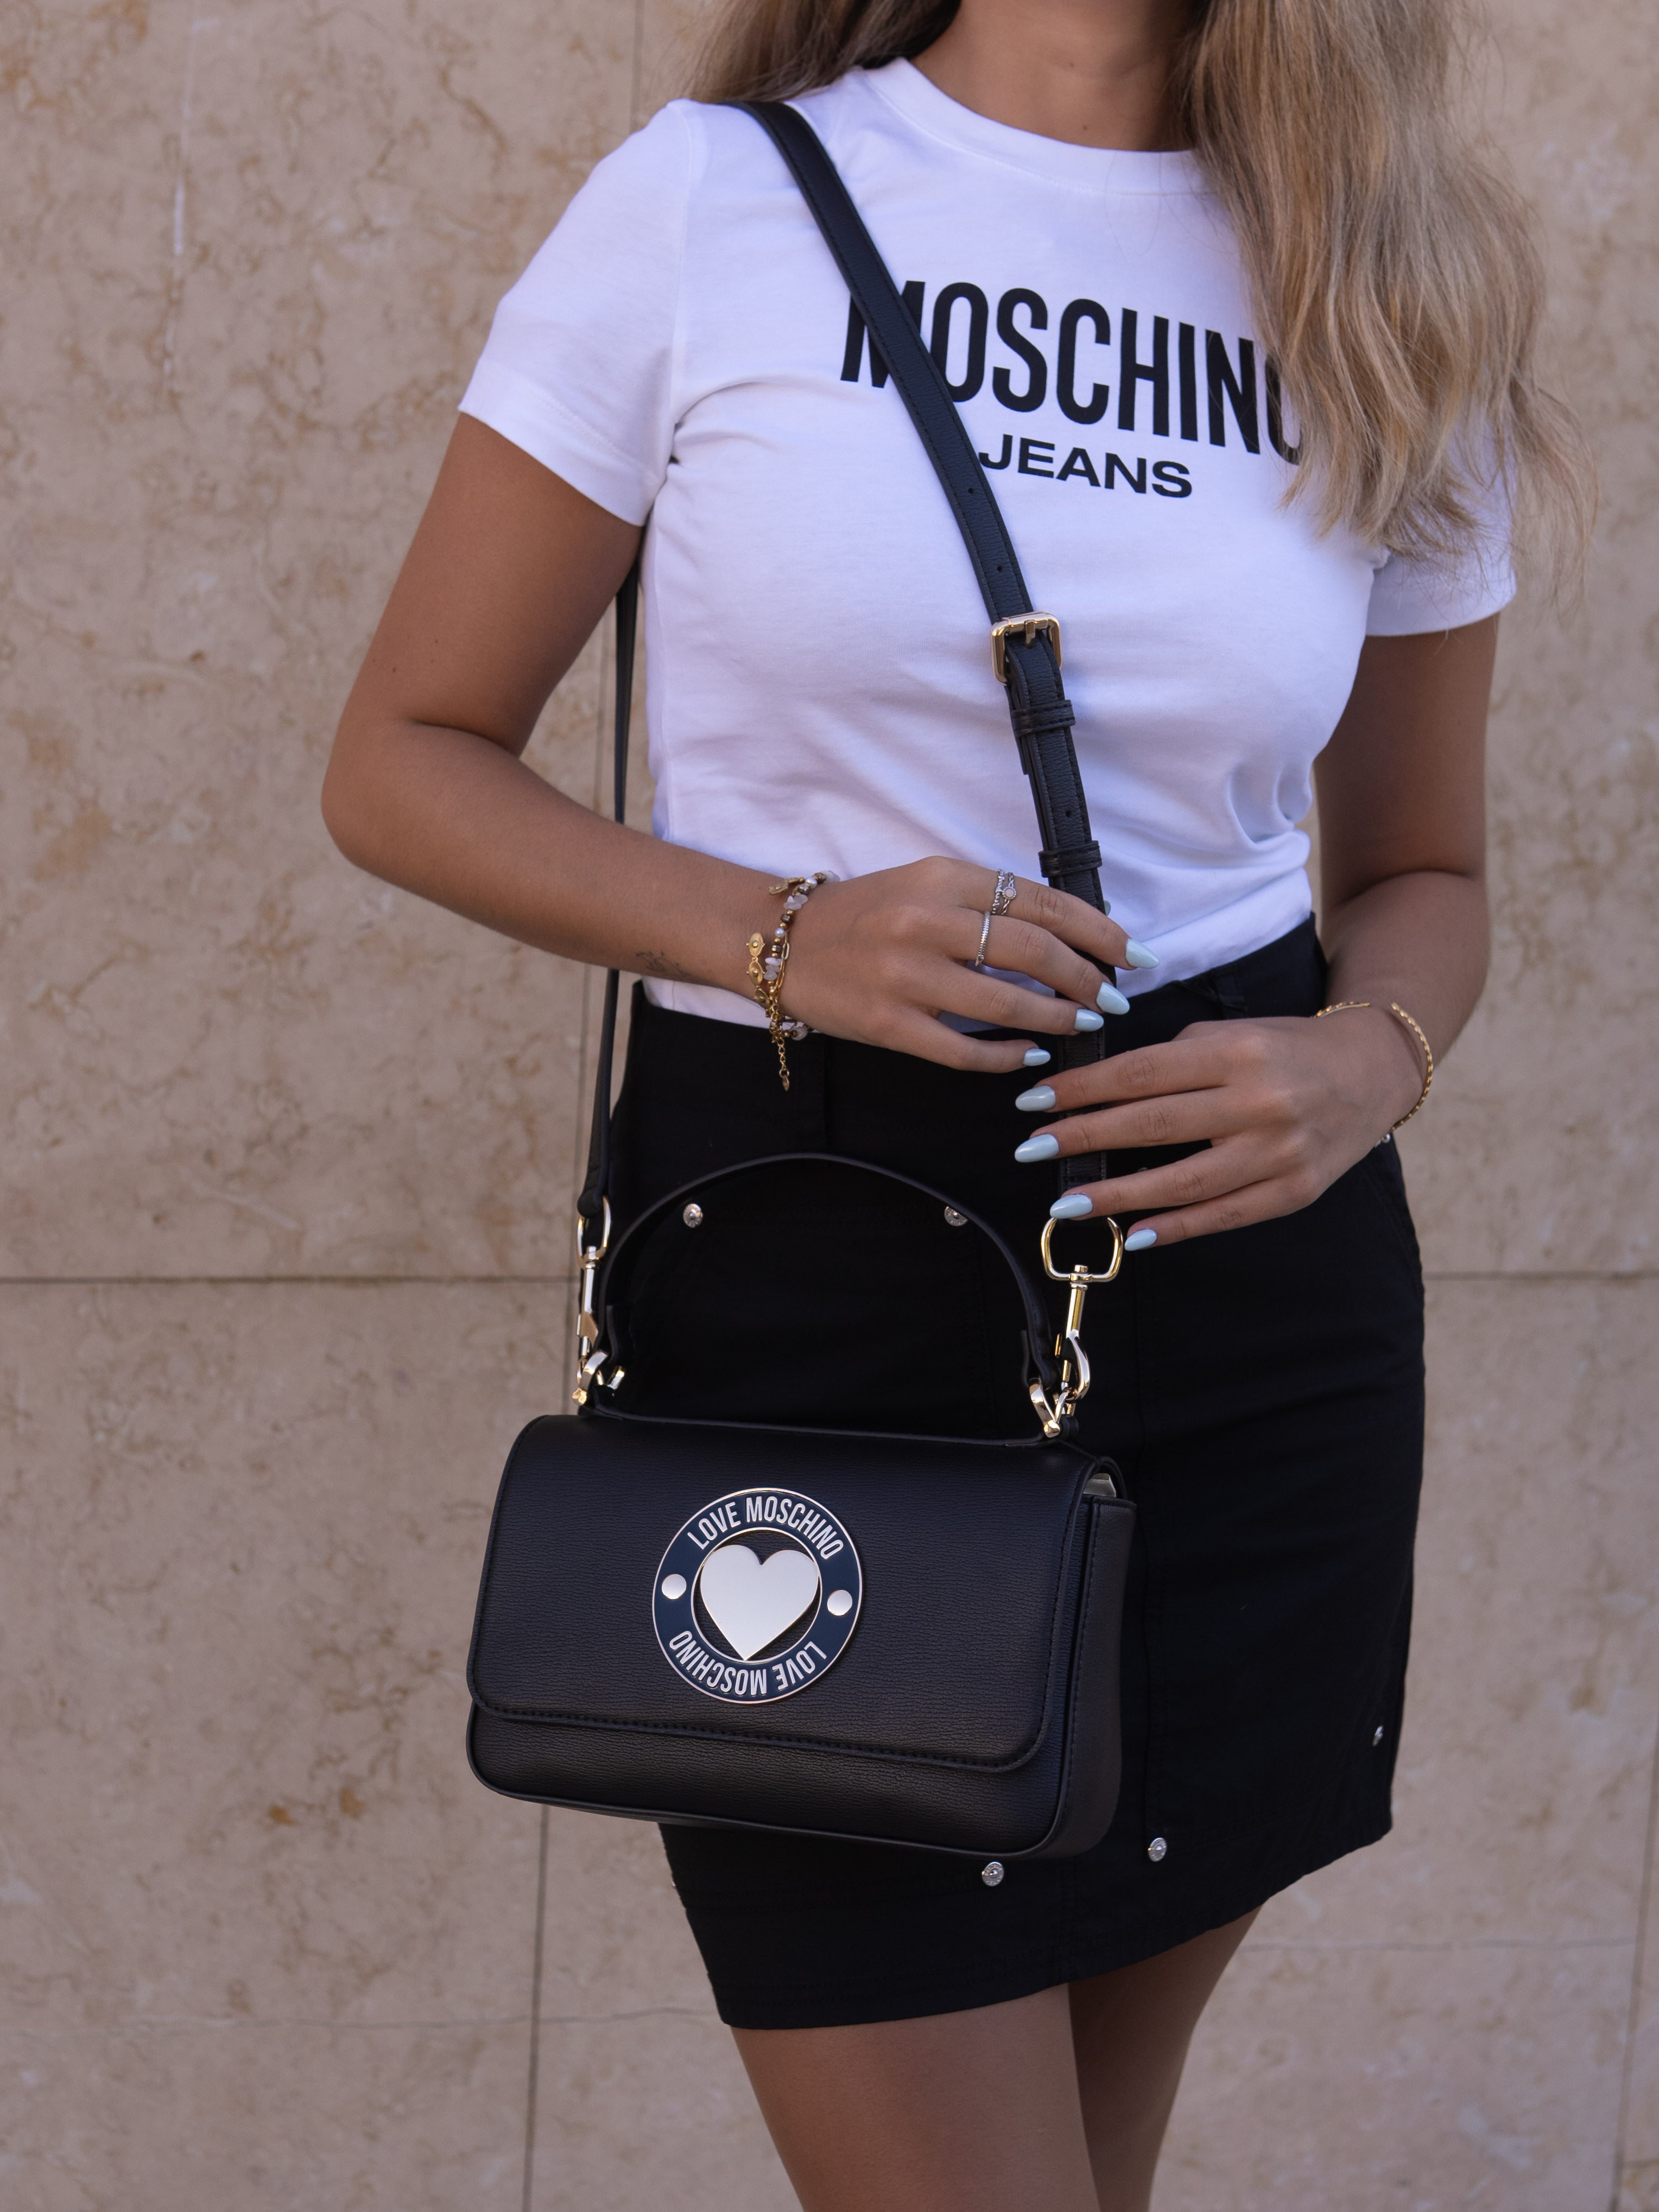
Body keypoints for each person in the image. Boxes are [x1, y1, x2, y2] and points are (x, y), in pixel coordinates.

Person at [321, 1, 1587, 2204]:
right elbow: (403, 759)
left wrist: (1358, 1062)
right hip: (815, 1304)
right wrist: (780, 932)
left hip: (1250, 1317)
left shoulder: (1387, 274)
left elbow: (1421, 870)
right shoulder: (711, 203)